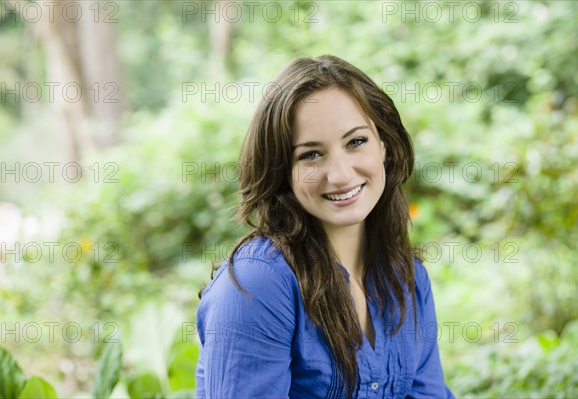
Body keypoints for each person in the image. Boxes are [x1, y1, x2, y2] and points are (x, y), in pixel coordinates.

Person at [195, 55, 455, 398]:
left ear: (385, 146)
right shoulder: (259, 284)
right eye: (310, 155)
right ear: (281, 170)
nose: (341, 174)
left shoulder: (407, 278)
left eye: (356, 142)